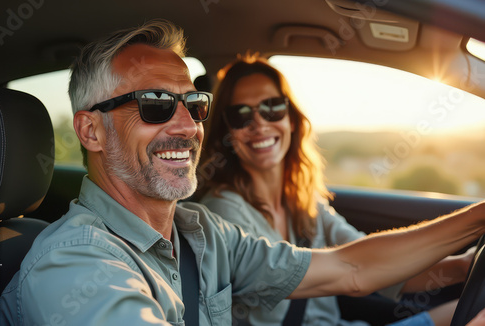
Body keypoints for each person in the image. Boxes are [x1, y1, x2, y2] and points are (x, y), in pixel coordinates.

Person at [0, 19, 485, 326]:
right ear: (91, 132)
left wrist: (478, 218)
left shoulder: (203, 233)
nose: (188, 125)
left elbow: (351, 269)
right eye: (154, 105)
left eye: (194, 103)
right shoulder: (74, 264)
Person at [197, 54, 473, 326]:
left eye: (272, 108)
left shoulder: (305, 200)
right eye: (240, 114)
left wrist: (464, 266)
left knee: (471, 312)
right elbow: (359, 269)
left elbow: (381, 264)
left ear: (291, 119)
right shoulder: (222, 213)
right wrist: (478, 217)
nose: (259, 124)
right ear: (227, 131)